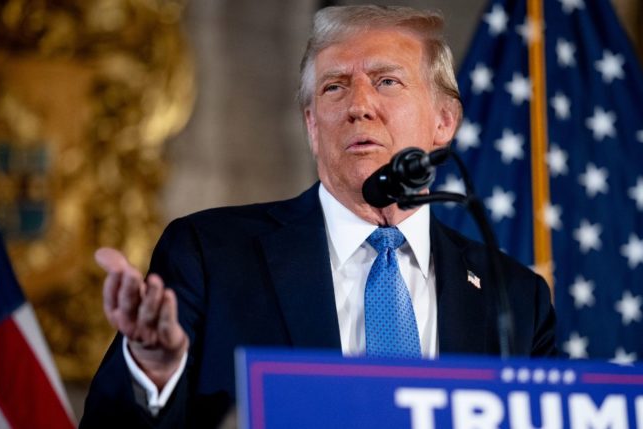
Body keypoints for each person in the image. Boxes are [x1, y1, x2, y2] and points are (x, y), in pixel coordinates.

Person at [81, 5, 556, 428]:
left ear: (444, 121)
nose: (358, 106)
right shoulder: (211, 256)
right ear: (311, 125)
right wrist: (153, 373)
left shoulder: (516, 297)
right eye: (334, 87)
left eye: (387, 81)